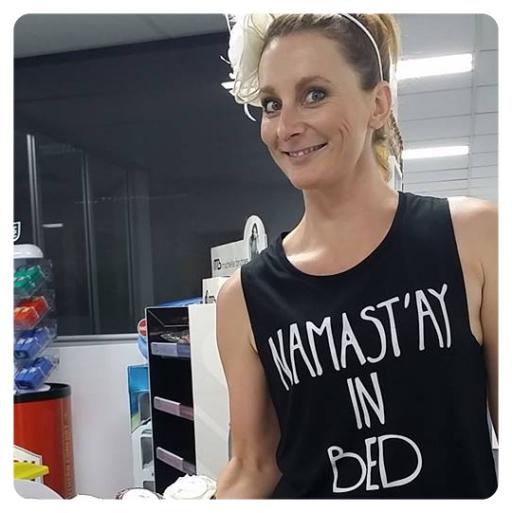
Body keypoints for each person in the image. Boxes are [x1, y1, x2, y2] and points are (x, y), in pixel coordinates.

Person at [215, 13, 498, 499]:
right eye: (271, 104)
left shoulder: (473, 238)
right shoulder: (244, 298)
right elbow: (253, 465)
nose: (287, 126)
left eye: (314, 94)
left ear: (378, 104)